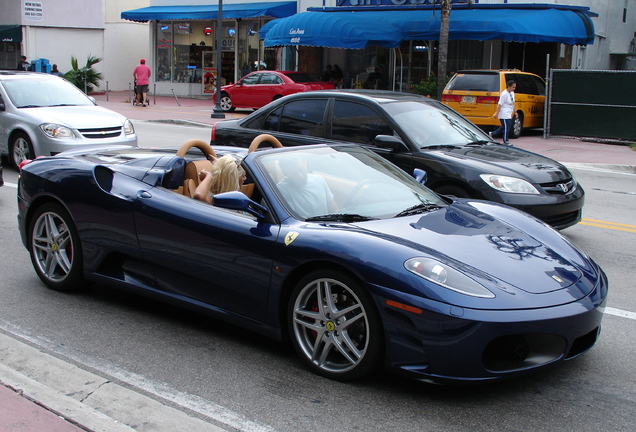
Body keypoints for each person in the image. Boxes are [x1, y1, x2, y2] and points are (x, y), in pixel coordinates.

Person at [491, 80, 517, 145]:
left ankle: (493, 134)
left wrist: (515, 111)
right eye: (513, 87)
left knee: (506, 126)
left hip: (509, 112)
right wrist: (496, 113)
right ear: (509, 86)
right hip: (504, 113)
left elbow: (513, 103)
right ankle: (505, 141)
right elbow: (500, 104)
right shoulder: (504, 94)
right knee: (506, 127)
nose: (514, 89)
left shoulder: (512, 93)